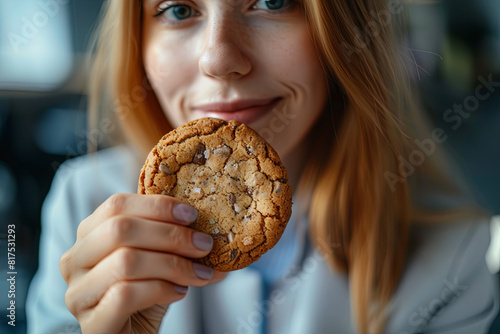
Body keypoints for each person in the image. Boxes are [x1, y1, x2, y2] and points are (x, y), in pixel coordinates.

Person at [26, 0, 499, 333]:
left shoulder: (455, 257)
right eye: (178, 9)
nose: (219, 59)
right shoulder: (81, 205)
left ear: (346, 31)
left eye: (273, 1)